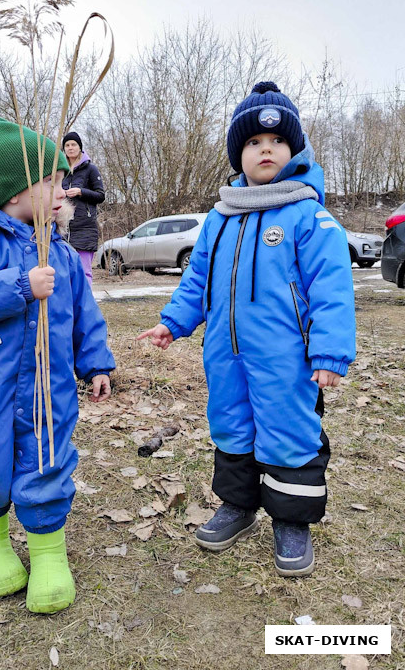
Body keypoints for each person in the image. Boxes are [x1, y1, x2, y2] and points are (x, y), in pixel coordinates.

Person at [138, 82, 356, 577]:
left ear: (294, 150)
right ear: (240, 154)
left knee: (287, 430)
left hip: (285, 356)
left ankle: (291, 519)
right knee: (232, 425)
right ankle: (238, 505)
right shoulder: (221, 216)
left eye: (277, 142)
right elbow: (198, 277)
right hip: (224, 352)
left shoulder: (309, 216)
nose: (266, 149)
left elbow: (332, 289)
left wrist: (329, 354)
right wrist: (174, 322)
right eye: (254, 142)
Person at [0, 115, 115, 614]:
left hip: (50, 384)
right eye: (51, 180)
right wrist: (20, 286)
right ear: (13, 192)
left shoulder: (59, 250)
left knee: (47, 459)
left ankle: (47, 553)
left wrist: (96, 362)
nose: (64, 189)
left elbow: (85, 312)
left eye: (64, 179)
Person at [61, 131, 105, 285]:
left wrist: (81, 192)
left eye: (73, 144)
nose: (70, 148)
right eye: (67, 145)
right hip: (63, 228)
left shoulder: (90, 169)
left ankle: (85, 306)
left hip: (85, 228)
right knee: (65, 271)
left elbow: (100, 195)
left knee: (84, 272)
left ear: (80, 147)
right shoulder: (60, 170)